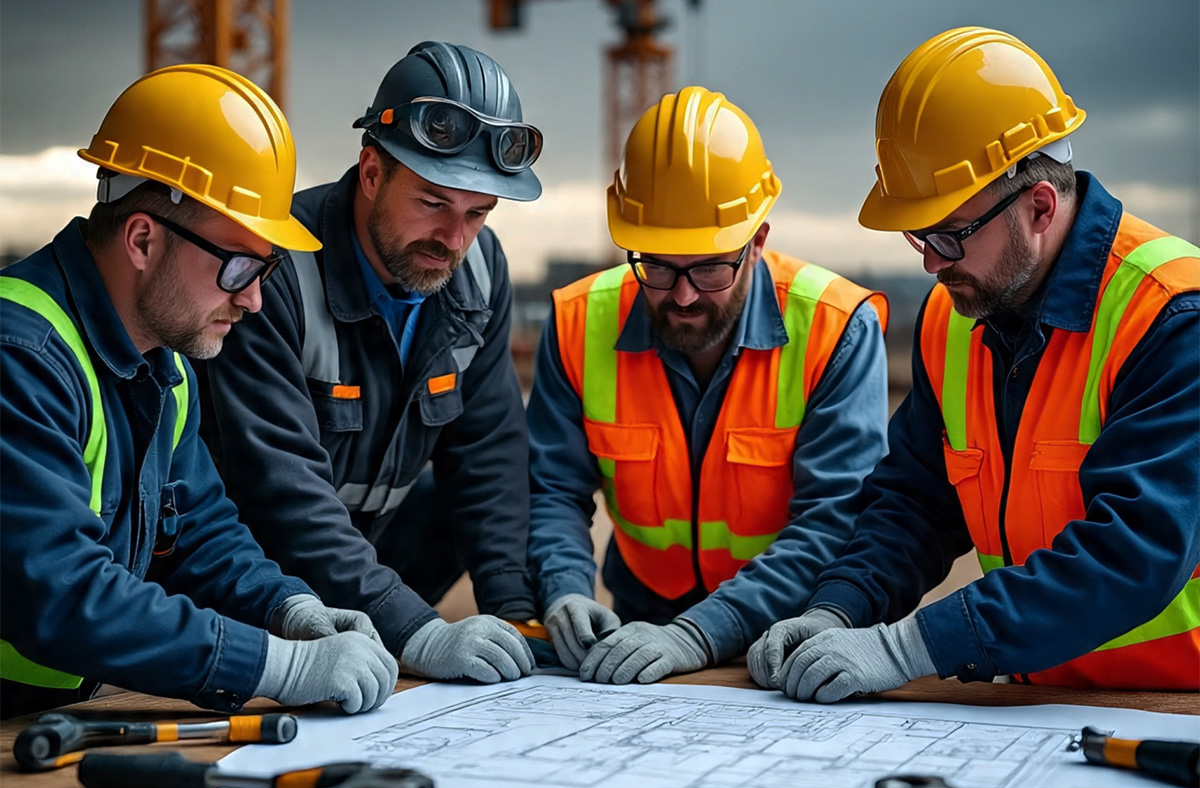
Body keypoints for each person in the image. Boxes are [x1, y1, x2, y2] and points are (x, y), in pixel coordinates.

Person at [749, 26, 1199, 701]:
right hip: (1029, 702)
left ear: (1039, 206)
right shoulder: (954, 315)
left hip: (1172, 706)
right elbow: (915, 503)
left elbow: (1134, 551)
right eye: (917, 236)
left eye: (948, 235)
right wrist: (838, 609)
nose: (930, 262)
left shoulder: (1168, 315)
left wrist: (910, 646)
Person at [0, 64, 399, 719]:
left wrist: (289, 609)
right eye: (239, 265)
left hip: (41, 716)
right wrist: (277, 665)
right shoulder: (22, 354)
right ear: (142, 239)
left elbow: (202, 535)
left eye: (267, 267)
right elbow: (59, 591)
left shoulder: (164, 364)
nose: (253, 298)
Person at [197, 42, 539, 685]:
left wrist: (515, 614)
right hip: (255, 579)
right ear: (373, 172)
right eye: (434, 203)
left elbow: (489, 458)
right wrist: (416, 630)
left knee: (458, 491)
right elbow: (282, 488)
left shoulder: (481, 273)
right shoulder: (274, 269)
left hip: (372, 558)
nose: (455, 239)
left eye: (478, 214)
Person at [528, 86, 891, 684]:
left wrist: (699, 633)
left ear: (759, 243)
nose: (684, 294)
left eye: (710, 268)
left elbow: (834, 520)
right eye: (659, 266)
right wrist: (565, 590)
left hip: (788, 638)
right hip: (637, 620)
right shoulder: (577, 322)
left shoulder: (835, 329)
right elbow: (552, 491)